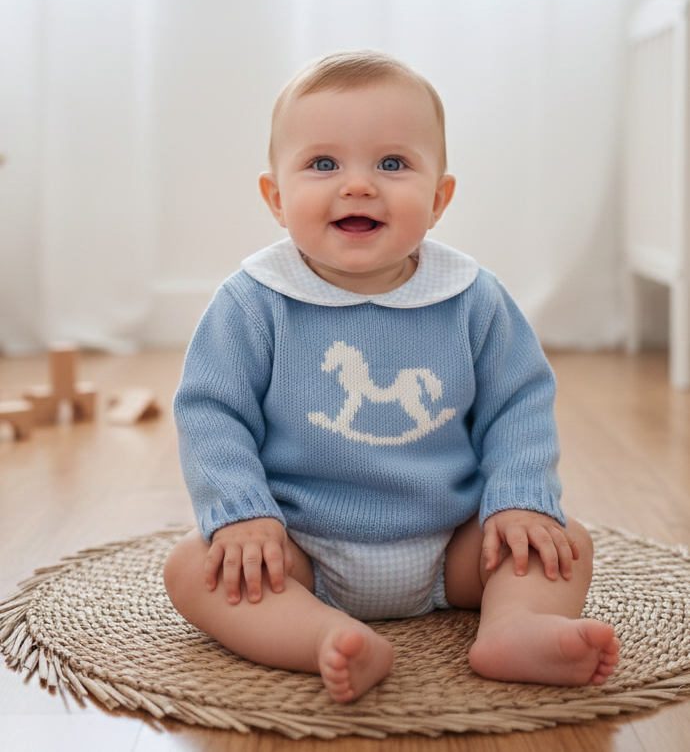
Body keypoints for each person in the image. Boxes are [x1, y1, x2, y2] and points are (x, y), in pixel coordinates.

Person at [164, 49, 620, 704]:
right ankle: (320, 635)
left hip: (451, 545)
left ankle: (516, 626)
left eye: (392, 163)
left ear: (438, 200)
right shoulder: (253, 301)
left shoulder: (472, 297)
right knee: (193, 568)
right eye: (323, 164)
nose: (358, 185)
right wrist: (241, 514)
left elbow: (518, 400)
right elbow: (212, 412)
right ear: (275, 196)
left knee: (562, 542)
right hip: (299, 547)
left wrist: (520, 496)